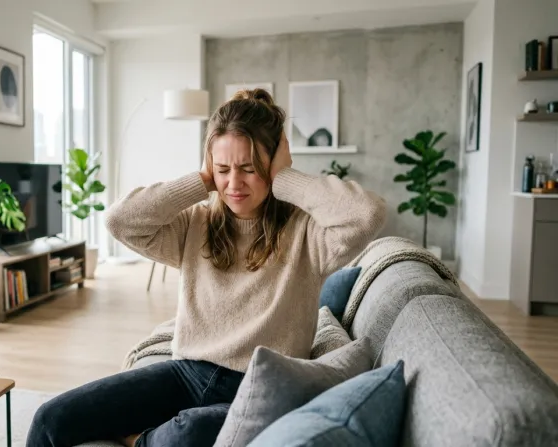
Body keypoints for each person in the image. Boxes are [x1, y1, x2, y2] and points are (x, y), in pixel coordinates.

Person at [26, 89, 387, 447]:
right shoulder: (194, 224)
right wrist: (199, 181)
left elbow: (366, 213)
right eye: (222, 169)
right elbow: (120, 221)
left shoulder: (308, 234)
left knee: (188, 434)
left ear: (273, 165)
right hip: (185, 373)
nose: (234, 184)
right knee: (50, 420)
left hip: (256, 389)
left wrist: (286, 177)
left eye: (250, 168)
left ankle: (141, 441)